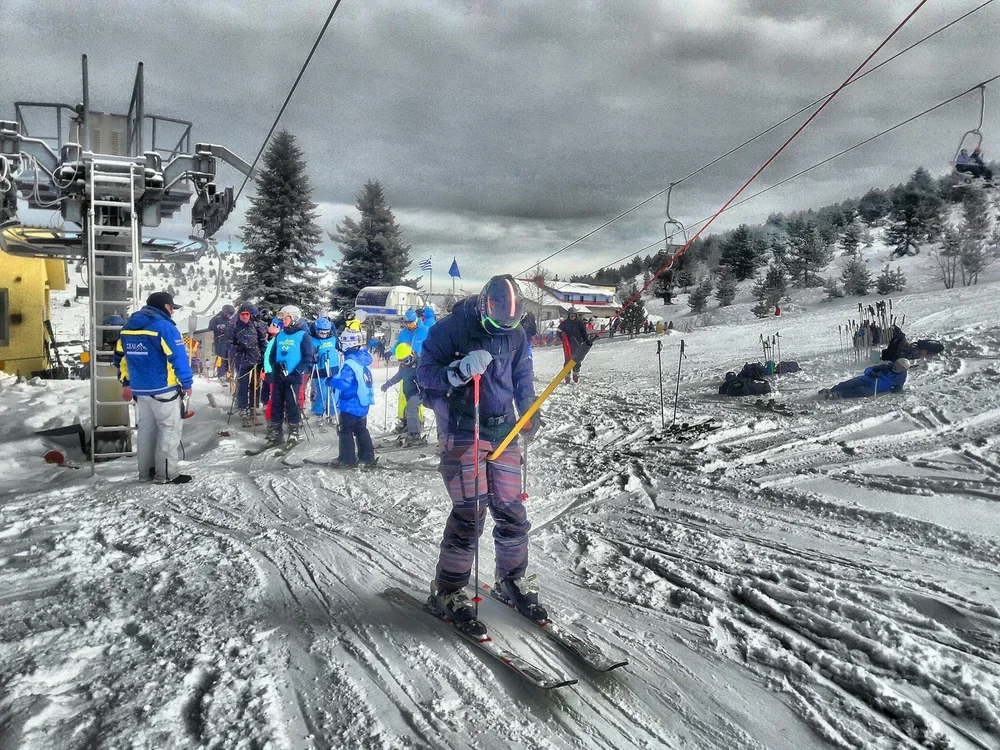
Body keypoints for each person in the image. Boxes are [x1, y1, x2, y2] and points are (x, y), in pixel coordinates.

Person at [417, 274, 544, 636]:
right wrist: (456, 371)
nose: (502, 329)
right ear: (485, 305)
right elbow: (425, 376)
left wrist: (529, 412)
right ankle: (449, 589)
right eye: (496, 322)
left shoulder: (517, 334)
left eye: (509, 324)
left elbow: (522, 377)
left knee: (510, 508)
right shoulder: (449, 330)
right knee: (471, 512)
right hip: (460, 429)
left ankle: (511, 580)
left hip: (503, 432)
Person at [113, 291, 193, 484]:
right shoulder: (164, 327)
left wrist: (126, 383)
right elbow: (178, 358)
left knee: (147, 431)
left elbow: (119, 359)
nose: (173, 311)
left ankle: (144, 473)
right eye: (172, 307)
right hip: (164, 389)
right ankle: (165, 474)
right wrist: (187, 383)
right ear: (165, 306)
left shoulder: (127, 328)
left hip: (140, 391)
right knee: (169, 430)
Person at [266, 305, 314, 447]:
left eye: (285, 318)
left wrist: (297, 372)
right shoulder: (280, 335)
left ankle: (293, 433)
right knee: (276, 404)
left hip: (293, 377)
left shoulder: (303, 336)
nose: (283, 321)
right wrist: (275, 367)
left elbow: (307, 358)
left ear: (294, 318)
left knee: (292, 405)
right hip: (279, 377)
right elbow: (273, 355)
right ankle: (276, 433)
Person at [328, 328, 376, 466]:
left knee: (345, 430)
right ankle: (367, 456)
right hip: (363, 402)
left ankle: (346, 458)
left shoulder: (350, 363)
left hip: (350, 402)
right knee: (361, 429)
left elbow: (344, 382)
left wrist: (331, 381)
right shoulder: (362, 359)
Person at [226, 303, 268, 426]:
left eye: (247, 314)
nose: (245, 316)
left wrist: (264, 357)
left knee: (255, 386)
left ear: (250, 315)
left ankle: (252, 408)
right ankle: (243, 408)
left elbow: (262, 342)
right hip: (242, 361)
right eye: (242, 314)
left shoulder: (256, 326)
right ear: (239, 315)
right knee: (242, 386)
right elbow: (229, 344)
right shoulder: (234, 327)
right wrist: (237, 349)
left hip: (256, 360)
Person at [381, 343, 424, 446]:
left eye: (406, 360)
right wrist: (388, 384)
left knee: (411, 408)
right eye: (401, 361)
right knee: (407, 409)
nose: (404, 363)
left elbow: (426, 377)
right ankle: (408, 426)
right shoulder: (404, 366)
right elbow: (399, 376)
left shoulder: (420, 363)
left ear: (412, 354)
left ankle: (415, 434)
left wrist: (423, 387)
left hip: (420, 392)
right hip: (409, 393)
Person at [393, 308, 428, 432]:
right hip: (406, 363)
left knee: (417, 395)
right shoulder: (404, 332)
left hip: (420, 364)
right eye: (408, 324)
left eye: (412, 323)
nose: (410, 326)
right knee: (404, 393)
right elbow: (398, 345)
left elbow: (430, 346)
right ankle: (405, 420)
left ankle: (419, 421)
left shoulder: (424, 331)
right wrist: (391, 352)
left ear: (417, 321)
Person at [822, 358, 910, 399]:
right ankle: (832, 390)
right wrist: (871, 373)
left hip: (874, 388)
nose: (896, 366)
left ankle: (839, 394)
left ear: (903, 369)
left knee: (861, 391)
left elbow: (899, 387)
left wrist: (896, 389)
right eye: (897, 364)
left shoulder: (900, 377)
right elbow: (868, 369)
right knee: (851, 383)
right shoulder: (885, 367)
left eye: (900, 366)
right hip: (867, 379)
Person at [310, 317, 340, 422]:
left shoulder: (333, 338)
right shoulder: (312, 340)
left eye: (326, 332)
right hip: (320, 369)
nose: (323, 334)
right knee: (322, 391)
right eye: (321, 332)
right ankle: (319, 412)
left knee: (334, 392)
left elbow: (339, 347)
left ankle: (332, 412)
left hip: (333, 367)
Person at [558, 307, 590, 384]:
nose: (572, 316)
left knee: (577, 359)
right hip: (567, 345)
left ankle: (575, 373)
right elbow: (558, 332)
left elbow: (584, 333)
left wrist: (585, 341)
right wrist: (562, 339)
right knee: (567, 359)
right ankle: (567, 374)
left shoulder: (579, 323)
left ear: (576, 315)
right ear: (569, 315)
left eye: (574, 315)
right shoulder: (564, 323)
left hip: (577, 343)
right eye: (571, 315)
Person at [208, 304, 235, 381]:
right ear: (225, 312)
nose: (230, 315)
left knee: (229, 357)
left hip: (229, 341)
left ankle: (229, 374)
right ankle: (221, 374)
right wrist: (218, 327)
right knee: (221, 357)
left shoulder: (230, 320)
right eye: (229, 313)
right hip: (220, 340)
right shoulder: (217, 318)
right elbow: (210, 327)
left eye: (232, 314)